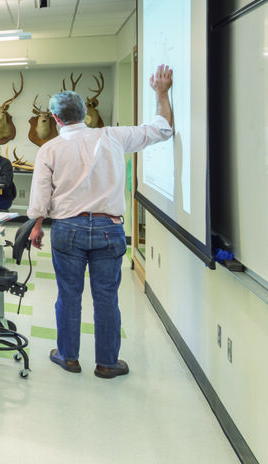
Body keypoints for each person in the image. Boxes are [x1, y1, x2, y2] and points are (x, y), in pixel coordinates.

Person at [29, 64, 174, 379]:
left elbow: (41, 194)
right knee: (106, 297)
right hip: (110, 230)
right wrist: (162, 93)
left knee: (68, 295)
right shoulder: (113, 137)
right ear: (84, 113)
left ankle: (68, 356)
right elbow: (162, 129)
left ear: (55, 119)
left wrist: (37, 225)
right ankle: (108, 363)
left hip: (67, 229)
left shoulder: (49, 149)